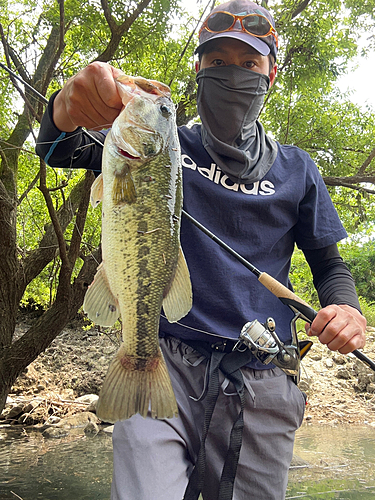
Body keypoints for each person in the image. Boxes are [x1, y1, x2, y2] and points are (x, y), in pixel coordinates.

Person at [35, 1, 367, 499]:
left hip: (261, 377)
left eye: (249, 63)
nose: (232, 73)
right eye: (216, 62)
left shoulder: (298, 170)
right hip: (162, 359)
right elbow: (59, 149)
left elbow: (329, 264)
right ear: (197, 70)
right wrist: (63, 109)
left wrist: (347, 308)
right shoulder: (163, 144)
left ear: (271, 73)